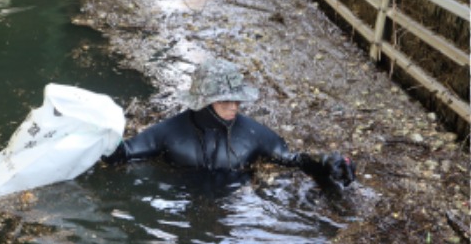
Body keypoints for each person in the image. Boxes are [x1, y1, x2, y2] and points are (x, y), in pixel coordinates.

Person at [102, 59, 356, 194]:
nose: (234, 106)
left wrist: (326, 163)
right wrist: (104, 140)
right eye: (225, 100)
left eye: (236, 98)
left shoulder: (252, 133)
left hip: (236, 200)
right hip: (182, 199)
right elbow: (123, 154)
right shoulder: (170, 132)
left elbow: (294, 159)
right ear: (204, 102)